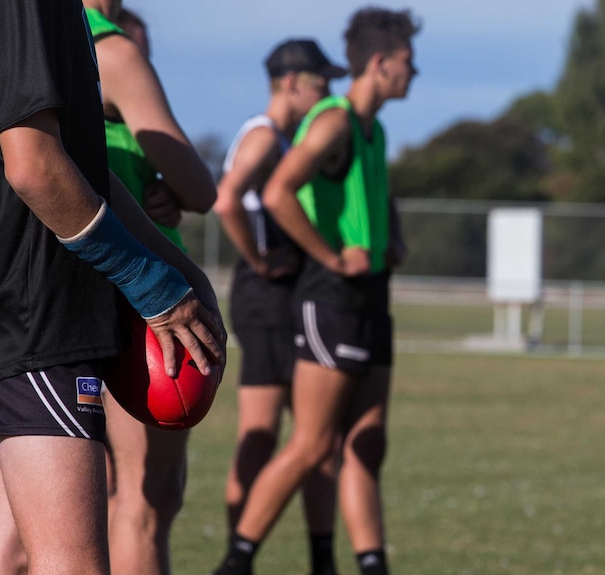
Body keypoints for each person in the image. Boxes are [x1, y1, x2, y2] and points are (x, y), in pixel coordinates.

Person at [0, 1, 225, 574]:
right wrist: (150, 283)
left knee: (10, 551)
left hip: (20, 296)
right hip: (33, 297)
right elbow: (34, 167)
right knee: (74, 561)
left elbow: (79, 161)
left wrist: (177, 269)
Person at [211, 8, 419, 575]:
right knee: (310, 444)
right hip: (330, 298)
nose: (415, 72)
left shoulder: (375, 130)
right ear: (380, 64)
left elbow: (372, 201)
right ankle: (237, 561)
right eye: (408, 62)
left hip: (372, 298)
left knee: (367, 443)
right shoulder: (333, 121)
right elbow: (279, 191)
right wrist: (329, 255)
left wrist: (389, 242)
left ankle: (370, 564)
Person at [83, 2, 219, 574]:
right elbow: (200, 186)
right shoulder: (111, 47)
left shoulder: (22, 30)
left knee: (19, 512)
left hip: (32, 286)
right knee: (144, 502)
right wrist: (171, 187)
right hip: (132, 294)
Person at [215, 39, 349, 575]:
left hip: (289, 295)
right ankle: (236, 557)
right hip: (266, 295)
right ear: (293, 82)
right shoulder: (266, 137)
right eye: (321, 82)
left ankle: (321, 558)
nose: (329, 92)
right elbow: (228, 198)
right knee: (263, 432)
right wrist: (257, 258)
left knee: (316, 438)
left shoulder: (288, 138)